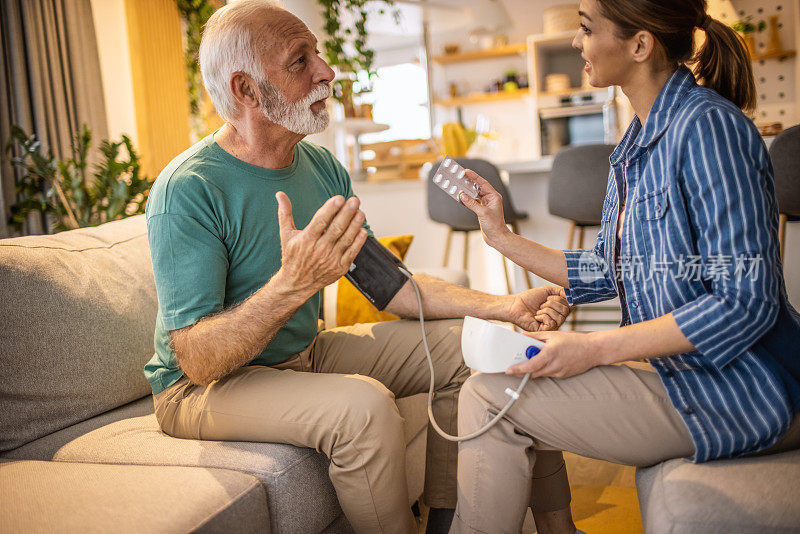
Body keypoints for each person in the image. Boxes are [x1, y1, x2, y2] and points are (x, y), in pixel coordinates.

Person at [143, 2, 570, 533]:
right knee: (362, 407)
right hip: (201, 389)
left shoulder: (321, 167)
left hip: (302, 354)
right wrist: (290, 286)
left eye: (317, 55)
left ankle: (469, 522)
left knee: (484, 346)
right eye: (301, 62)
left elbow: (391, 288)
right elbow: (197, 358)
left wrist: (506, 306)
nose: (327, 72)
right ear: (246, 90)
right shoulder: (189, 189)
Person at [452, 0, 800, 532]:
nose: (576, 43)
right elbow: (606, 270)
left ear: (640, 45)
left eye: (587, 30)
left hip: (741, 390)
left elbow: (744, 302)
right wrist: (499, 235)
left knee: (487, 398)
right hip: (685, 376)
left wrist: (593, 349)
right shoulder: (634, 145)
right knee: (508, 375)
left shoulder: (708, 130)